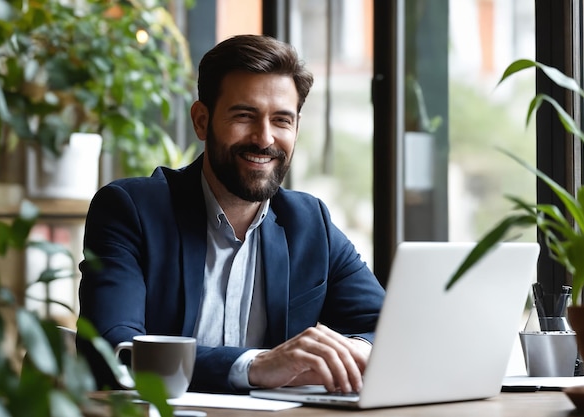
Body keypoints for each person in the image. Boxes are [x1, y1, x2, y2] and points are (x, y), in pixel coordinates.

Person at [77, 34, 385, 394]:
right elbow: (116, 348)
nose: (264, 138)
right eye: (245, 116)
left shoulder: (309, 221)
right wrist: (255, 366)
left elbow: (387, 326)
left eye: (282, 120)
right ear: (202, 121)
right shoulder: (130, 210)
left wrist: (356, 352)